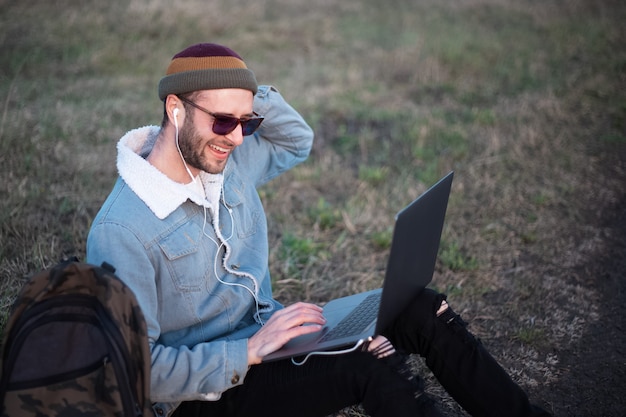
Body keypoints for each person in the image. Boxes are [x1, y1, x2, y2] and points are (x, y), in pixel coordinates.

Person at [86, 43, 552, 417]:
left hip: (274, 338)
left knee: (421, 307)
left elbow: (296, 140)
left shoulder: (224, 157)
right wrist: (248, 350)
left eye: (247, 123)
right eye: (223, 120)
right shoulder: (122, 229)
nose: (234, 137)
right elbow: (137, 370)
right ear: (175, 109)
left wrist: (244, 91)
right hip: (205, 394)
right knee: (373, 367)